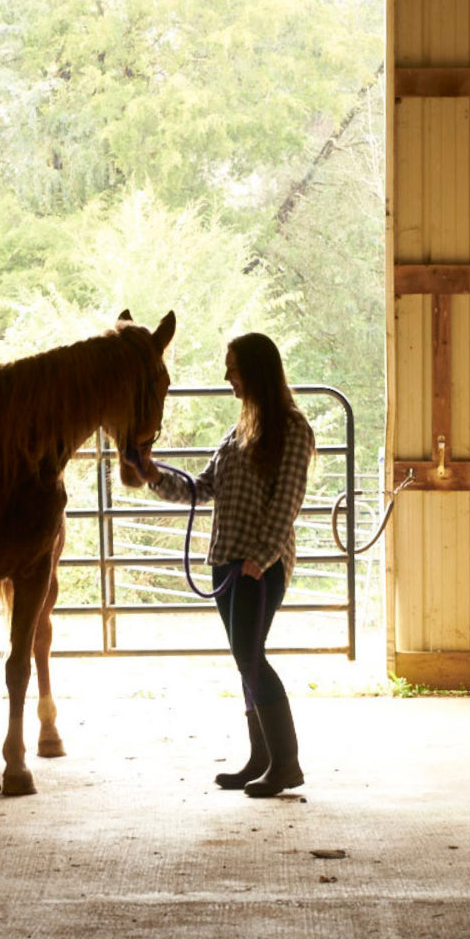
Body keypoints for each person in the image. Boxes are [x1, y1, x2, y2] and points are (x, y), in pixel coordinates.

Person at [146, 332, 315, 798]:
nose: (226, 376)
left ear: (255, 371)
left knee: (251, 656)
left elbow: (288, 503)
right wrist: (152, 474)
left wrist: (259, 560)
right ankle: (262, 758)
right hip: (226, 564)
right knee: (246, 660)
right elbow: (201, 490)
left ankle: (286, 762)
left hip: (259, 566)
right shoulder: (237, 434)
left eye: (233, 367)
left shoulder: (294, 430)